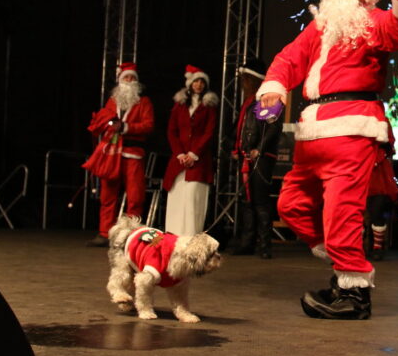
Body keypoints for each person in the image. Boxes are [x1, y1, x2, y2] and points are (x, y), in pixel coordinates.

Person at [257, 0, 398, 320]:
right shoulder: (318, 28)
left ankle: (354, 294)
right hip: (312, 131)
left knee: (341, 214)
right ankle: (344, 264)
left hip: (351, 130)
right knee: (292, 205)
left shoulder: (373, 22)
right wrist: (274, 89)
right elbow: (288, 59)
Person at [87, 62, 154, 247]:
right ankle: (104, 233)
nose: (129, 80)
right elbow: (104, 120)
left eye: (132, 78)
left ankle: (131, 235)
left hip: (133, 154)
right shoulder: (112, 101)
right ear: (120, 81)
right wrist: (105, 123)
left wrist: (125, 127)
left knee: (135, 197)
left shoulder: (144, 102)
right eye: (126, 77)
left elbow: (148, 125)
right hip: (113, 154)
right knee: (107, 195)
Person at [229, 60, 283, 258]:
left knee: (260, 201)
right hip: (246, 157)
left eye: (246, 80)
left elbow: (273, 128)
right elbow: (241, 129)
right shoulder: (248, 103)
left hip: (261, 159)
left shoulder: (266, 100)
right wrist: (236, 148)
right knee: (247, 201)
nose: (243, 84)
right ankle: (247, 243)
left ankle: (264, 246)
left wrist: (259, 149)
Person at [163, 65, 219, 236]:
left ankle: (190, 236)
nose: (199, 85)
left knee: (193, 199)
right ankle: (173, 235)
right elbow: (172, 131)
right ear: (190, 83)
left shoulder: (208, 106)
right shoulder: (179, 105)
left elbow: (209, 133)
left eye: (202, 82)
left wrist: (194, 154)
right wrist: (180, 154)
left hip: (199, 161)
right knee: (177, 197)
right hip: (179, 160)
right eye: (196, 81)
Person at [364, 123, 398, 261]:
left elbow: (389, 142)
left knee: (377, 211)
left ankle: (377, 247)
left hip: (378, 174)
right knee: (356, 213)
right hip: (359, 169)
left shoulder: (382, 120)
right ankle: (358, 246)